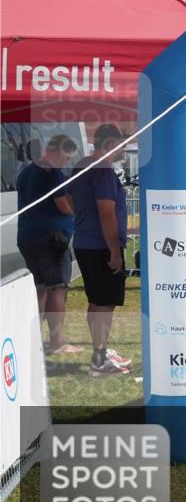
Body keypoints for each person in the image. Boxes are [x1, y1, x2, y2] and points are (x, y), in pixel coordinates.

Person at [68, 124, 131, 376]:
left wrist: (85, 220)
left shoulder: (81, 165)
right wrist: (114, 250)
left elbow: (70, 199)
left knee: (96, 300)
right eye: (122, 144)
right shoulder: (103, 170)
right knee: (105, 303)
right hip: (101, 245)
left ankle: (101, 351)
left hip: (85, 242)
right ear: (111, 143)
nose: (124, 150)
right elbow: (106, 212)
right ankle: (99, 357)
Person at [15, 134, 82, 355]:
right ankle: (57, 343)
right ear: (56, 151)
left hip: (28, 236)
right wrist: (80, 211)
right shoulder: (53, 174)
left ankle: (33, 340)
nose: (65, 163)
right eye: (66, 157)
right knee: (57, 289)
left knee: (41, 288)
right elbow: (64, 206)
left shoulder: (26, 172)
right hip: (51, 241)